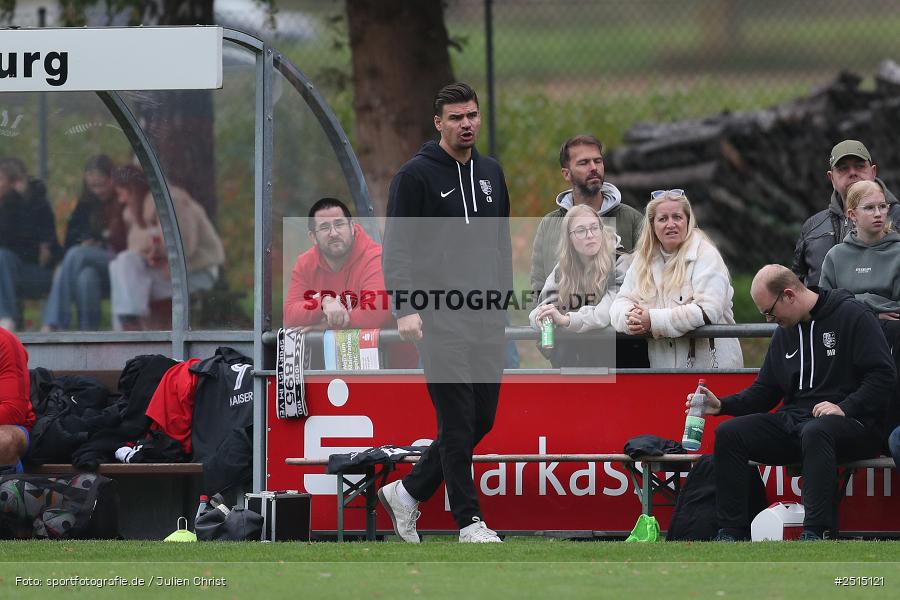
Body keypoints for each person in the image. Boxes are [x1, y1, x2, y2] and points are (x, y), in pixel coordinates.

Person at [380, 82, 512, 543]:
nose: (467, 124)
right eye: (457, 117)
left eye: (472, 115)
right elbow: (396, 250)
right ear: (439, 123)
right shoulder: (414, 176)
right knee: (456, 421)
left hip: (485, 319)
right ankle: (469, 522)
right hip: (438, 319)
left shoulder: (492, 173)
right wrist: (406, 308)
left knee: (482, 419)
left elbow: (501, 246)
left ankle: (409, 492)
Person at [692, 265, 896, 541]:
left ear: (789, 295)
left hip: (853, 423)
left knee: (817, 430)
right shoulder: (785, 330)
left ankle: (816, 531)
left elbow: (883, 375)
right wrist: (723, 406)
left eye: (770, 312)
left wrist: (844, 407)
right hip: (796, 421)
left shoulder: (853, 315)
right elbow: (765, 391)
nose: (769, 319)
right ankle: (731, 531)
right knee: (730, 434)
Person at [817, 180, 900, 480]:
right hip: (845, 348)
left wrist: (853, 303)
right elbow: (825, 305)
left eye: (883, 207)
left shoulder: (898, 252)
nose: (878, 213)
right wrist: (871, 305)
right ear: (851, 214)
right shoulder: (836, 257)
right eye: (869, 208)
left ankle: (887, 435)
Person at [610, 189, 743, 369]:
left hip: (711, 370)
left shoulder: (706, 255)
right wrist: (631, 319)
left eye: (677, 217)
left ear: (687, 221)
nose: (670, 224)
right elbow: (619, 303)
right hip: (663, 370)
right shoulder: (643, 261)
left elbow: (708, 311)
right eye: (663, 219)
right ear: (652, 225)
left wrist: (653, 320)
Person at [108, 166, 225, 330]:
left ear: (132, 190)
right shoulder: (138, 212)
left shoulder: (171, 201)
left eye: (122, 193)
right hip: (169, 273)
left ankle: (129, 325)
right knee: (119, 265)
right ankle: (126, 325)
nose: (121, 200)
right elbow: (136, 249)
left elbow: (184, 245)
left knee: (126, 266)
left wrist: (155, 247)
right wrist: (152, 248)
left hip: (196, 272)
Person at [529, 134, 641, 299]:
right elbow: (538, 285)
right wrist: (548, 320)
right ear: (566, 174)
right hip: (563, 321)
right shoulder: (550, 224)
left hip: (616, 321)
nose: (593, 167)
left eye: (598, 161)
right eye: (583, 163)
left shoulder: (631, 219)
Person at [793, 139, 900, 287]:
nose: (852, 173)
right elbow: (796, 288)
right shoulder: (813, 227)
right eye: (843, 168)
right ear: (831, 178)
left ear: (873, 171)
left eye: (860, 166)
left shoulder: (898, 217)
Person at [528, 204, 622, 367]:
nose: (590, 235)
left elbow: (604, 314)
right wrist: (543, 317)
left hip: (617, 360)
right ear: (569, 238)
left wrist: (565, 320)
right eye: (580, 231)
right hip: (577, 362)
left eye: (594, 228)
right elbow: (542, 306)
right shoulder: (563, 267)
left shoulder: (621, 261)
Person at [42, 155, 125, 331]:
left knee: (76, 254)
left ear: (112, 179)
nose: (97, 190)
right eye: (92, 186)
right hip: (92, 264)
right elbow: (71, 237)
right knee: (86, 277)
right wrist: (85, 240)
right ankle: (88, 334)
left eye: (101, 184)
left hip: (118, 258)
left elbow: (124, 238)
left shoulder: (123, 198)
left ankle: (54, 321)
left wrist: (100, 244)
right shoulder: (86, 203)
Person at [283, 197, 392, 331]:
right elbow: (290, 315)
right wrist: (323, 303)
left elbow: (377, 312)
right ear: (313, 237)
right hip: (332, 351)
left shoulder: (375, 257)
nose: (334, 233)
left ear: (352, 227)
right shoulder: (305, 263)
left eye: (339, 224)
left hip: (383, 350)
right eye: (324, 227)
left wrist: (329, 325)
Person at [0, 158, 60, 331]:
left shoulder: (33, 206)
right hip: (10, 272)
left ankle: (5, 318)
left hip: (35, 273)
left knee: (2, 256)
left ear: (14, 183)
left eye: (1, 179)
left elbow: (41, 249)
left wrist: (14, 201)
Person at [0, 328, 35, 473]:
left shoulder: (4, 341)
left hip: (9, 426)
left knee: (3, 441)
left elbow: (13, 411)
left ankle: (9, 493)